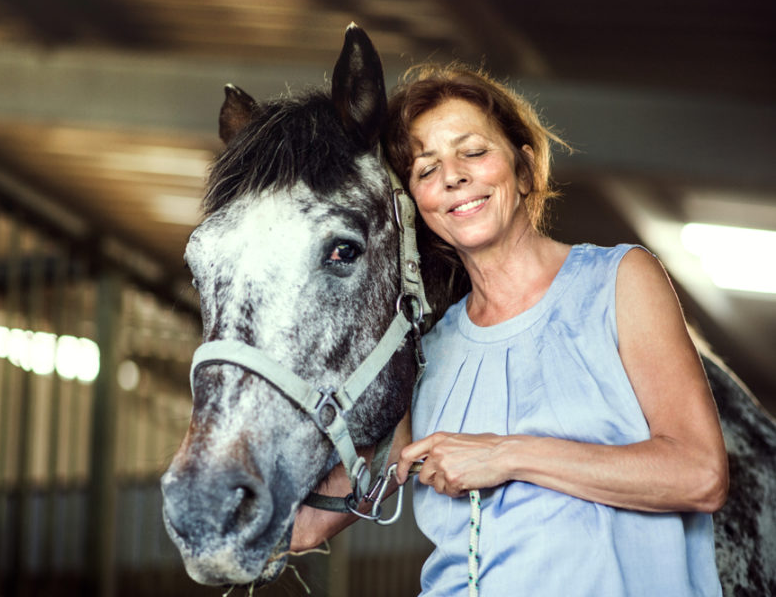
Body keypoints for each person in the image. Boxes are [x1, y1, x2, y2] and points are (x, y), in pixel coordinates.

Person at [291, 62, 728, 596]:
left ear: (524, 171)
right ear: (418, 208)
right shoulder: (423, 351)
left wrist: (505, 455)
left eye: (473, 152)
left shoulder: (619, 281)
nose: (452, 175)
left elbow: (700, 476)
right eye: (426, 171)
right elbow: (304, 527)